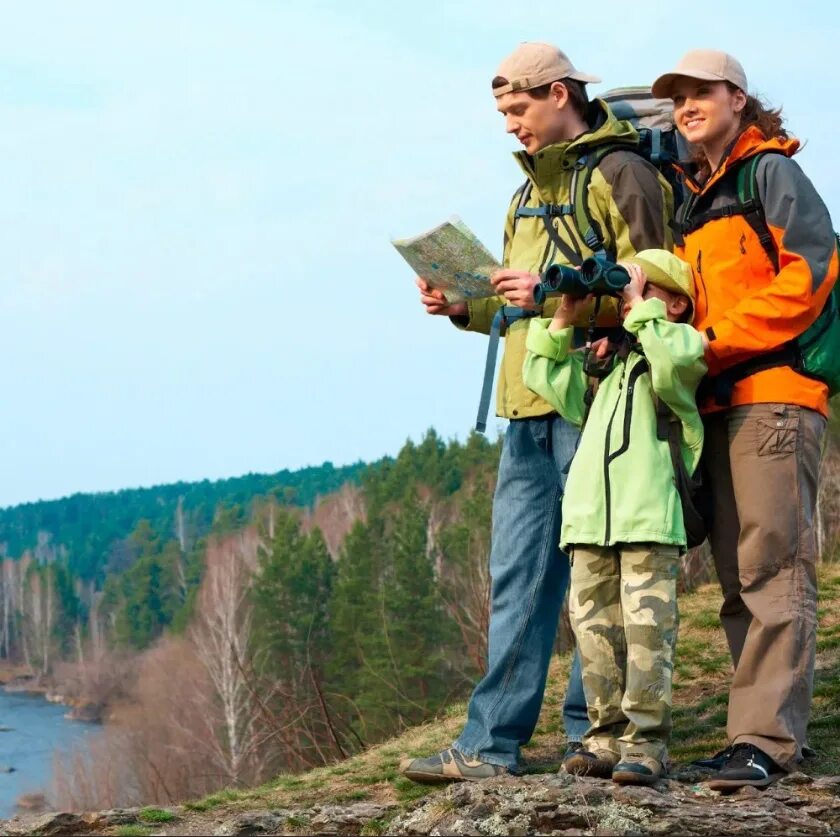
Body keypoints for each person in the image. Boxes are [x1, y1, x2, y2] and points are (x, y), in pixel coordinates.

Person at [400, 42, 673, 783]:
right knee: (518, 578)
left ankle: (595, 737)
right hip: (525, 409)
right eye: (503, 113)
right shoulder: (523, 194)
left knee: (597, 578)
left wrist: (555, 297)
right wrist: (463, 303)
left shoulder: (625, 174)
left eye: (516, 109)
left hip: (597, 402)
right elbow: (514, 298)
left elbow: (666, 294)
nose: (509, 126)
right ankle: (491, 745)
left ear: (558, 93)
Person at [651, 49, 839, 790]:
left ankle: (768, 739)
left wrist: (715, 340)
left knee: (773, 569)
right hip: (718, 402)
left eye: (700, 93)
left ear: (737, 97)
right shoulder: (697, 196)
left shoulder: (772, 174)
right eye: (678, 98)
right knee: (736, 576)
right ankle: (751, 736)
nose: (686, 106)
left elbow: (815, 269)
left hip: (774, 394)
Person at [522, 250, 705, 784]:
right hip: (589, 525)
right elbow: (543, 377)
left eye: (646, 290)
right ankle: (602, 739)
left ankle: (646, 744)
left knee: (648, 635)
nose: (632, 301)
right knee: (595, 635)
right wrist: (565, 315)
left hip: (649, 521)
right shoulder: (608, 366)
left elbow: (674, 362)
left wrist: (639, 308)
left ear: (676, 304)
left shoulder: (682, 351)